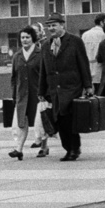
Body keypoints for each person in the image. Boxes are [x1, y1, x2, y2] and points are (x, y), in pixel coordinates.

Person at [38, 13, 93, 162]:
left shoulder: (75, 42)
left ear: (62, 25)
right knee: (58, 119)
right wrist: (41, 90)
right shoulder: (45, 45)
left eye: (54, 25)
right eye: (49, 26)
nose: (51, 28)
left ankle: (73, 149)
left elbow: (83, 64)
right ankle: (69, 147)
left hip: (71, 87)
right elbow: (43, 69)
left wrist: (88, 85)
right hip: (54, 89)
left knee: (68, 118)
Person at [8, 26, 48, 160]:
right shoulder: (17, 56)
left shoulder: (40, 54)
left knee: (40, 122)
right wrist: (14, 94)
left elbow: (46, 75)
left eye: (27, 37)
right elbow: (14, 78)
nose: (24, 40)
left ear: (33, 38)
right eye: (22, 38)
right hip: (22, 95)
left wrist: (45, 92)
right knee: (21, 121)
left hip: (38, 94)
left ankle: (43, 147)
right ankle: (18, 149)